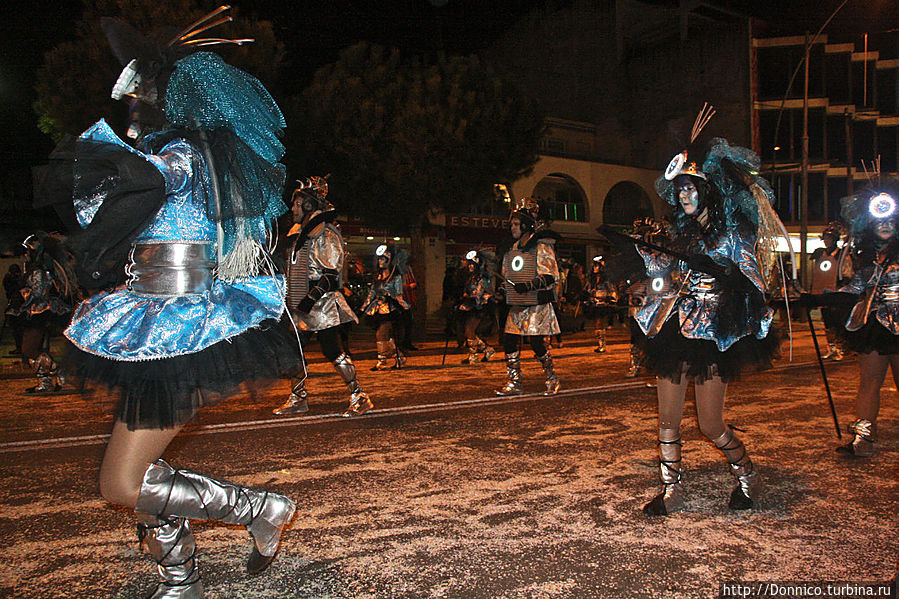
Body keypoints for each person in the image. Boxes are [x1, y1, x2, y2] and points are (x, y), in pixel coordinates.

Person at [52, 11, 301, 597]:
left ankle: (259, 506)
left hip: (180, 330)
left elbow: (134, 186)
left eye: (140, 97)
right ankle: (179, 574)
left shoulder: (185, 158)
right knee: (140, 475)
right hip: (151, 325)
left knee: (121, 482)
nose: (132, 109)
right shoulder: (178, 156)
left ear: (173, 98)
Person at [630, 120, 781, 516]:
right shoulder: (679, 235)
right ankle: (670, 490)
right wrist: (648, 282)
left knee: (710, 425)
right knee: (667, 419)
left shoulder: (733, 235)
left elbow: (753, 283)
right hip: (674, 330)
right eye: (679, 190)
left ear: (707, 191)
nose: (684, 196)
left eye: (691, 188)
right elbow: (664, 277)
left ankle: (747, 475)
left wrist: (724, 272)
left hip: (715, 335)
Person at [272, 177, 373, 418]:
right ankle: (298, 398)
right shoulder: (298, 235)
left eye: (297, 204)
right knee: (292, 349)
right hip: (300, 304)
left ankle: (359, 396)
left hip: (322, 304)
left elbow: (330, 273)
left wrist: (310, 299)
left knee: (331, 349)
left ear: (309, 206)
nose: (293, 208)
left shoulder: (326, 234)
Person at [827, 178, 899, 458]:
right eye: (881, 221)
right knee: (869, 382)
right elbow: (854, 288)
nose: (885, 225)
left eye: (891, 221)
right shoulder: (868, 259)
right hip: (875, 326)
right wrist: (819, 297)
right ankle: (864, 439)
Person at [495, 197, 563, 396]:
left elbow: (550, 275)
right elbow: (508, 277)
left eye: (516, 224)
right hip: (518, 303)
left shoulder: (542, 247)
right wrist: (500, 292)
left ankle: (552, 377)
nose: (512, 227)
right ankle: (515, 381)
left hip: (536, 305)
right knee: (508, 340)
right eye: (512, 224)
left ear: (526, 225)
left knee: (536, 344)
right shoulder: (512, 250)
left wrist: (529, 285)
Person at [16, 233, 76, 392]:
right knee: (37, 350)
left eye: (27, 251)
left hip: (41, 313)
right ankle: (46, 382)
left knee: (29, 349)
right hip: (42, 313)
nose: (25, 254)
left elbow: (39, 292)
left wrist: (23, 294)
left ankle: (58, 372)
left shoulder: (39, 270)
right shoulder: (40, 269)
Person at [361, 243, 411, 370]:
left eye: (383, 259)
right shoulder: (377, 277)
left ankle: (382, 361)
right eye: (379, 259)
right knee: (386, 337)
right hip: (377, 310)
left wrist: (390, 296)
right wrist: (363, 307)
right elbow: (372, 293)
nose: (380, 261)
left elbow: (399, 295)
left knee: (381, 334)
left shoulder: (396, 277)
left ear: (390, 261)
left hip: (391, 309)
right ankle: (399, 357)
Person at [809, 222, 852, 360]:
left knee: (838, 322)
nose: (827, 242)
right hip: (823, 293)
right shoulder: (820, 254)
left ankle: (841, 347)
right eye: (825, 239)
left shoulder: (841, 255)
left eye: (830, 239)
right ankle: (831, 347)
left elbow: (848, 273)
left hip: (837, 293)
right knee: (827, 322)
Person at [456, 249, 496, 364]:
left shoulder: (482, 278)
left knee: (469, 330)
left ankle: (474, 355)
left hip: (480, 307)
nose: (469, 266)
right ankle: (486, 350)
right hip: (473, 306)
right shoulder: (472, 277)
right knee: (468, 331)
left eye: (471, 264)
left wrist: (469, 296)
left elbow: (479, 293)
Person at [582, 255, 619, 353]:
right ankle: (600, 344)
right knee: (596, 325)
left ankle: (602, 345)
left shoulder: (606, 280)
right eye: (594, 265)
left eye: (597, 265)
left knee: (600, 324)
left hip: (603, 304)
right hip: (595, 304)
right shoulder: (592, 280)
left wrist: (610, 299)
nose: (595, 267)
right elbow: (588, 290)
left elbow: (612, 291)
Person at [3, 263, 25, 355]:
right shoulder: (10, 280)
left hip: (19, 307)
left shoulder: (20, 281)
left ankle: (21, 348)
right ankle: (20, 347)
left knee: (19, 329)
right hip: (15, 306)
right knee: (17, 329)